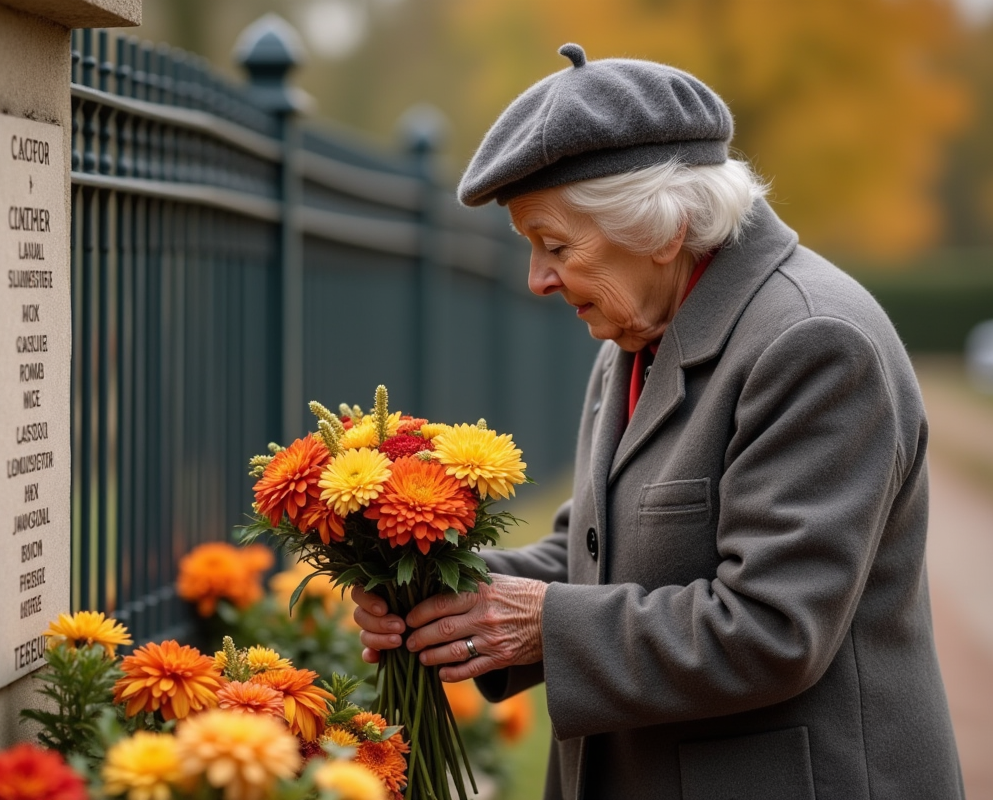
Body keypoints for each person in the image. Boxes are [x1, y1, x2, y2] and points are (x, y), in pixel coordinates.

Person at [352, 44, 964, 800]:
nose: (538, 280)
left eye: (555, 246)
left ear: (663, 230)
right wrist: (445, 594)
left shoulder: (813, 342)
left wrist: (545, 625)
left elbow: (771, 628)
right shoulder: (644, 322)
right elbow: (596, 552)